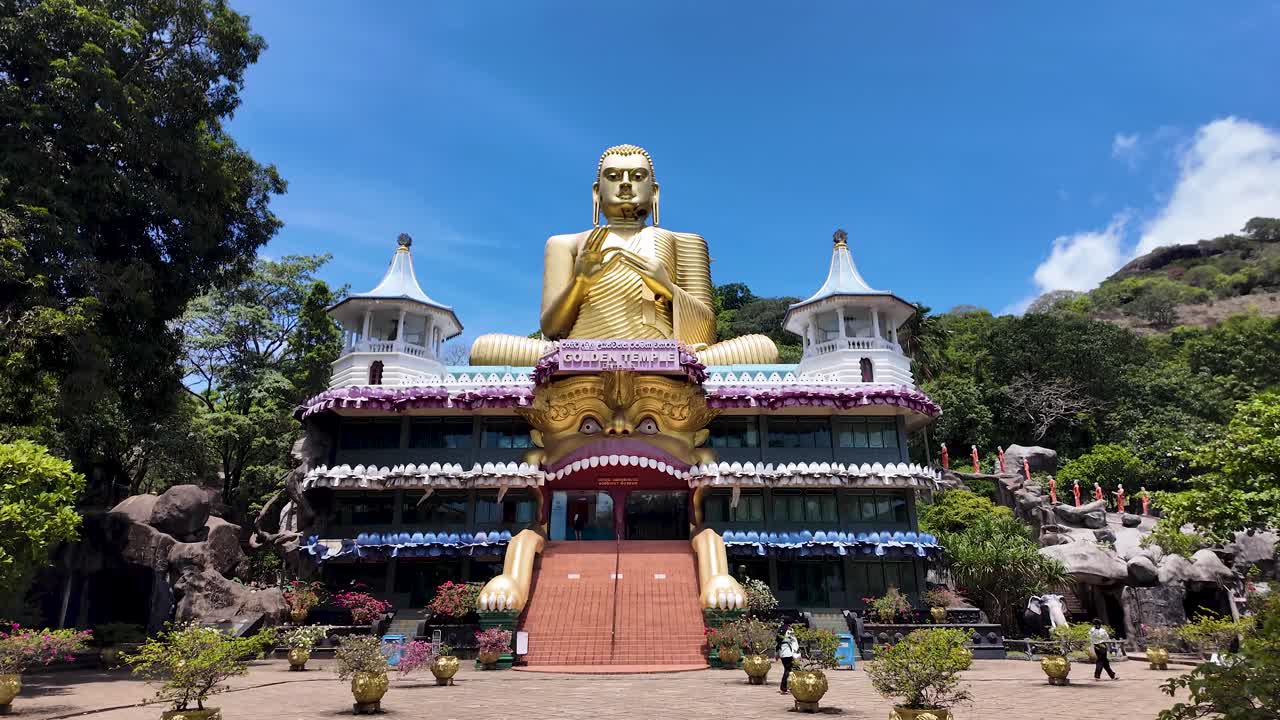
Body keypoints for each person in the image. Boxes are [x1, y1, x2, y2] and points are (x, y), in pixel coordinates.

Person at [777, 621, 800, 695]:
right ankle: (783, 687)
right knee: (788, 669)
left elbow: (777, 641)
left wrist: (776, 653)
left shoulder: (780, 629)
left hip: (781, 651)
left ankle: (788, 686)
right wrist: (796, 652)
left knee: (787, 669)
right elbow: (794, 640)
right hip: (788, 651)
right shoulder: (789, 630)